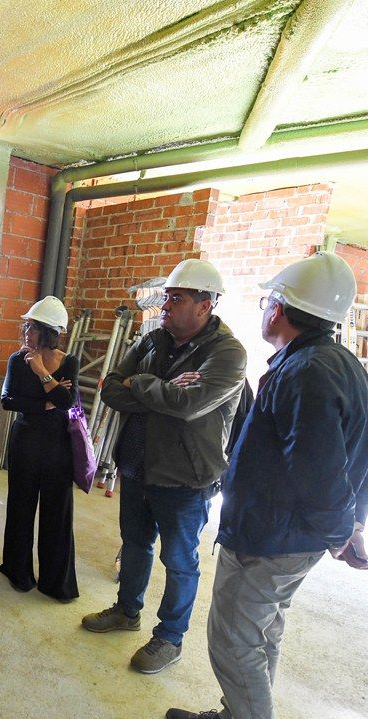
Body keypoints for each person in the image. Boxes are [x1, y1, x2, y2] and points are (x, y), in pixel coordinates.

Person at [166, 252, 368, 719]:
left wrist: (340, 531)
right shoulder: (335, 364)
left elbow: (319, 468)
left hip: (272, 539)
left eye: (267, 301)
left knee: (234, 642)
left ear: (280, 308)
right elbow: (360, 460)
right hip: (284, 534)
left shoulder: (306, 374)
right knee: (262, 636)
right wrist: (354, 522)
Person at [80, 259, 247, 674]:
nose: (166, 306)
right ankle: (126, 611)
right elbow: (113, 389)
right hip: (136, 465)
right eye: (167, 297)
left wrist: (142, 385)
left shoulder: (227, 353)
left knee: (179, 560)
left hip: (184, 477)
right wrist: (156, 390)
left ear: (205, 304)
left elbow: (188, 405)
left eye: (176, 298)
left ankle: (169, 637)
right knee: (135, 545)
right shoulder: (153, 340)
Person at [0, 296, 80, 601]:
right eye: (26, 326)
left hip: (58, 446)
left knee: (57, 512)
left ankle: (55, 582)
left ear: (50, 332)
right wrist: (45, 401)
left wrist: (41, 373)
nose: (26, 333)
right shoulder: (15, 361)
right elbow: (7, 400)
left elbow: (66, 403)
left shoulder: (68, 361)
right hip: (25, 442)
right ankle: (17, 570)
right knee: (21, 506)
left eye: (32, 328)